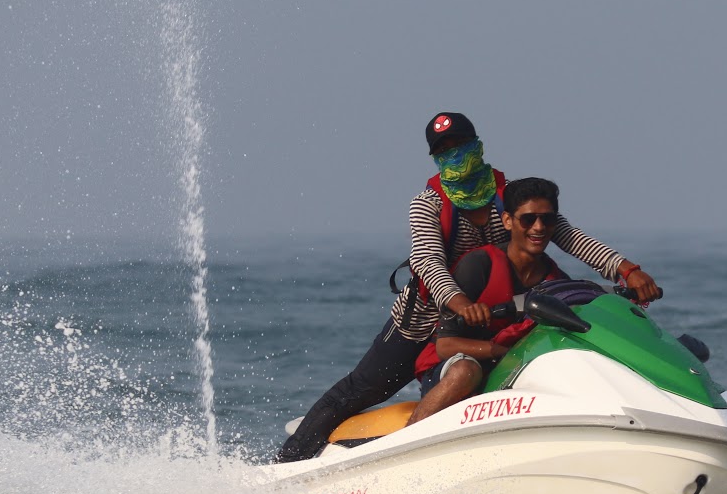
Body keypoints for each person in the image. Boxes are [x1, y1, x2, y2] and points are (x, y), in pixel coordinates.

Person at [273, 112, 659, 462]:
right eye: (444, 151)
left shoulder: (510, 196)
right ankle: (288, 464)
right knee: (360, 389)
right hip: (426, 321)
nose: (455, 156)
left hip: (494, 312)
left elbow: (568, 236)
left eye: (461, 146)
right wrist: (459, 304)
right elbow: (427, 262)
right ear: (435, 159)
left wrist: (627, 270)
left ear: (478, 145)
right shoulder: (427, 204)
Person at [405, 177, 567, 426]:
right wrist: (502, 353)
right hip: (452, 368)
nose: (538, 228)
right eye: (528, 219)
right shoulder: (479, 266)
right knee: (466, 371)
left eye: (547, 219)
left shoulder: (555, 281)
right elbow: (445, 345)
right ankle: (409, 440)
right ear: (507, 222)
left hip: (509, 370)